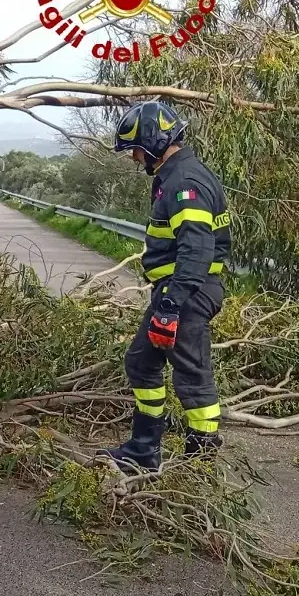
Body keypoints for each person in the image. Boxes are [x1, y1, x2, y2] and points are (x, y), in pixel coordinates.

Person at [99, 99, 231, 473]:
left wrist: (171, 305)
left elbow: (197, 248)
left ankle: (199, 464)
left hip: (188, 292)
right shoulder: (174, 176)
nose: (134, 158)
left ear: (155, 141)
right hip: (179, 290)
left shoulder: (184, 182)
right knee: (142, 362)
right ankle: (144, 450)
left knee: (192, 374)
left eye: (136, 149)